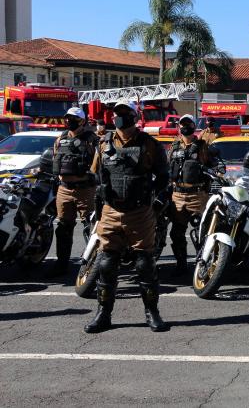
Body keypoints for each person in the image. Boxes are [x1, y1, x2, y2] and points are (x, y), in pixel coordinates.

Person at [84, 100, 170, 333]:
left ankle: (152, 313)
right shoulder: (104, 144)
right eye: (117, 113)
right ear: (112, 118)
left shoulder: (150, 145)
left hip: (140, 212)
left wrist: (156, 199)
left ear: (134, 116)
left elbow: (163, 177)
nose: (121, 117)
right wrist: (100, 191)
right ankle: (103, 314)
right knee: (106, 263)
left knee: (145, 264)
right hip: (111, 211)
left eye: (126, 113)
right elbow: (96, 174)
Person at [48, 107, 99, 277]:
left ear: (82, 121)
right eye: (67, 118)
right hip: (64, 189)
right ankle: (62, 264)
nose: (69, 121)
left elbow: (99, 163)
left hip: (85, 190)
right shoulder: (60, 139)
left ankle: (92, 266)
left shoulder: (92, 139)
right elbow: (55, 158)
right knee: (63, 227)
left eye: (73, 118)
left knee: (90, 228)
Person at [166, 115, 216, 276]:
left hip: (197, 195)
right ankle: (181, 265)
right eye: (183, 124)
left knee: (201, 232)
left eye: (188, 124)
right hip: (177, 195)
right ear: (179, 127)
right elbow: (166, 168)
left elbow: (212, 165)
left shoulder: (202, 145)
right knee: (176, 233)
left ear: (194, 126)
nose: (185, 127)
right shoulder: (174, 146)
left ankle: (203, 263)